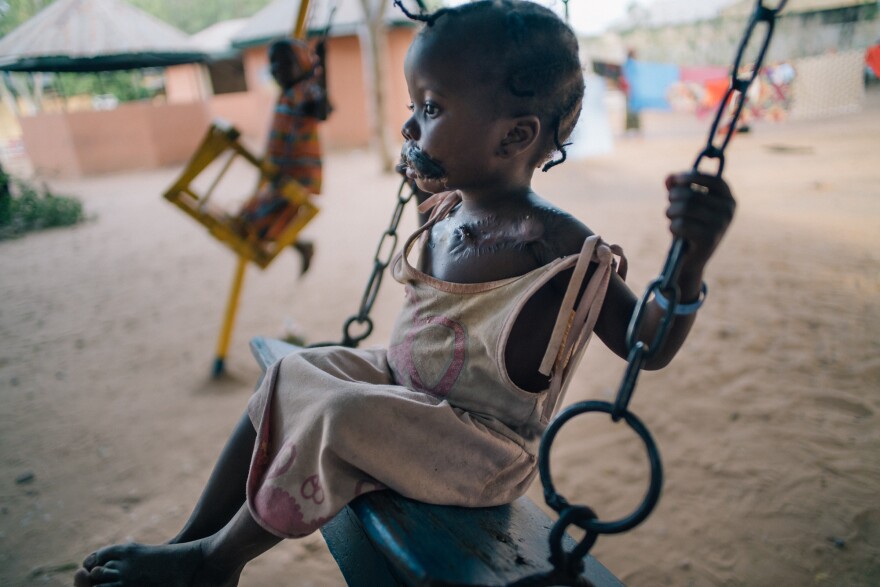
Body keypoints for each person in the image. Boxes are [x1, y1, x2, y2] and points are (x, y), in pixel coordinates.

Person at [73, 2, 735, 585]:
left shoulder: (560, 247)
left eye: (432, 108)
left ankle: (217, 561)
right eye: (415, 106)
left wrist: (689, 259)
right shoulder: (447, 210)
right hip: (402, 387)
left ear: (514, 136)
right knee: (292, 371)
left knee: (345, 413)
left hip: (478, 450)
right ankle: (190, 540)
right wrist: (427, 172)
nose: (411, 125)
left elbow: (645, 344)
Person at [235, 38, 326, 274]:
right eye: (273, 64)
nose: (276, 70)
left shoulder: (305, 91)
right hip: (283, 173)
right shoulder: (288, 93)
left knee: (252, 219)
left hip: (298, 176)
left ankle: (301, 246)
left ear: (301, 64)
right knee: (261, 217)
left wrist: (323, 66)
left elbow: (321, 108)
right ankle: (300, 246)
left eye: (283, 64)